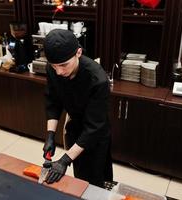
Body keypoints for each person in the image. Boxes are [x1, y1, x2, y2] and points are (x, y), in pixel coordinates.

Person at [42, 29, 113, 187]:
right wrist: (50, 135)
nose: (59, 72)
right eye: (54, 66)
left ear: (78, 52)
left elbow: (94, 127)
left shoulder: (97, 79)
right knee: (79, 176)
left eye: (63, 65)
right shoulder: (53, 69)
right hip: (75, 126)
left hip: (96, 132)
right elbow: (53, 101)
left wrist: (64, 160)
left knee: (95, 179)